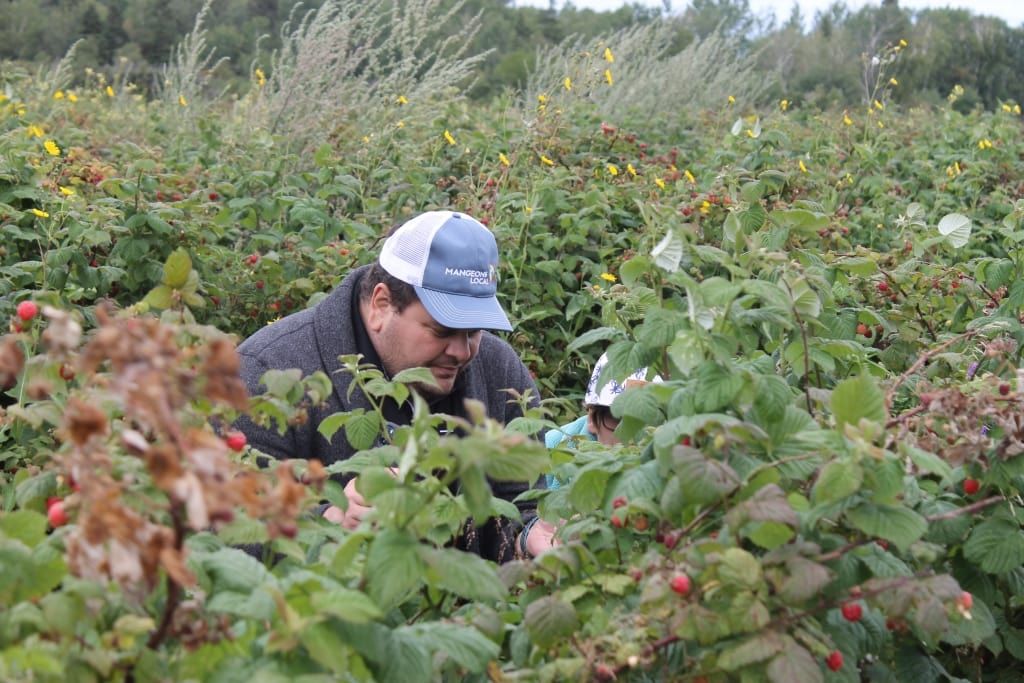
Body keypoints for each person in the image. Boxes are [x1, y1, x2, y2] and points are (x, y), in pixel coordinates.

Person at [233, 210, 544, 562]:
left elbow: (522, 502)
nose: (461, 351)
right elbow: (221, 528)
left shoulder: (498, 369)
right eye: (442, 330)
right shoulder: (268, 374)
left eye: (474, 330)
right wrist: (327, 522)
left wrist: (530, 537)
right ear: (381, 304)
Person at [545, 352, 660, 489]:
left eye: (648, 422)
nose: (634, 438)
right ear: (592, 419)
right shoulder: (547, 449)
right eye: (621, 420)